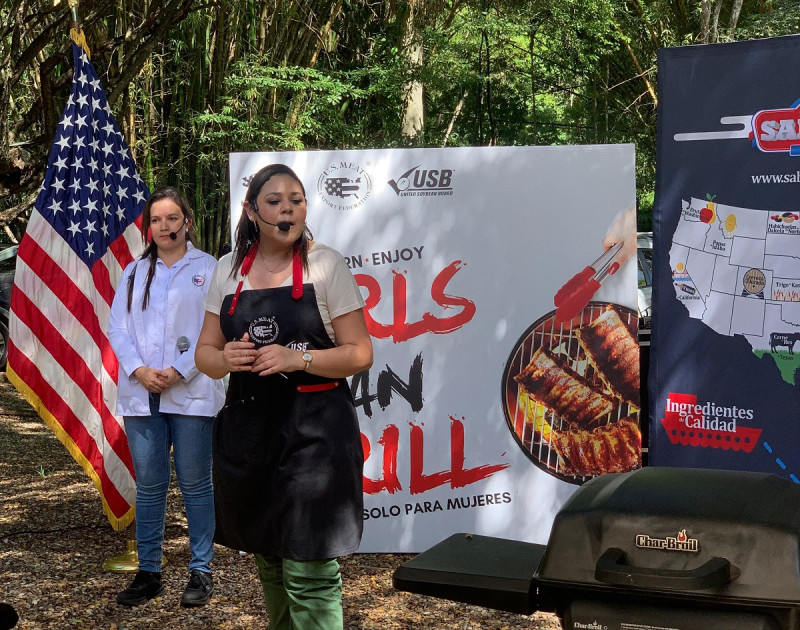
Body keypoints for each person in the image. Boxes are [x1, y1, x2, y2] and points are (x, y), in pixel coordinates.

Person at [195, 163, 373, 629]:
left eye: (296, 199)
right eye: (275, 201)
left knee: (309, 569)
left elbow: (360, 353)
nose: (287, 208)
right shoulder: (227, 271)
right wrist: (227, 357)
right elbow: (204, 355)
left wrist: (301, 359)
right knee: (270, 560)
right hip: (250, 435)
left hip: (315, 437)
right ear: (252, 211)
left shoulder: (327, 264)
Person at [107, 187, 225, 607]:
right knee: (151, 486)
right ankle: (149, 572)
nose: (164, 227)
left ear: (187, 222)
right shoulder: (135, 272)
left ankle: (201, 571)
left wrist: (182, 370)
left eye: (172, 218)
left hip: (191, 390)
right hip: (143, 393)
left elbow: (216, 329)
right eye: (156, 220)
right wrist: (140, 370)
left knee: (195, 484)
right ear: (148, 227)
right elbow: (117, 329)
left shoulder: (209, 268)